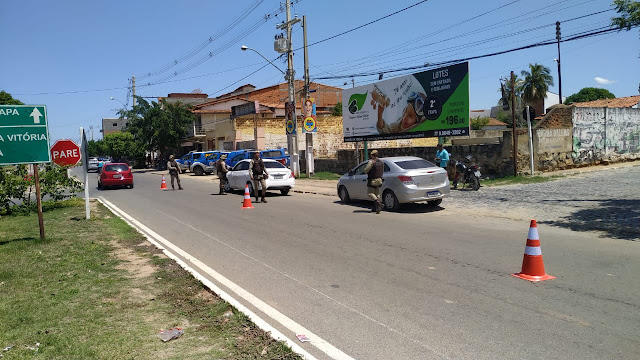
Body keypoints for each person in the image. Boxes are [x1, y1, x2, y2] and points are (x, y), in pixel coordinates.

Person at [363, 150, 384, 214]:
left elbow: (366, 170)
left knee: (370, 193)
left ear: (372, 155)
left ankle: (378, 203)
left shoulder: (371, 162)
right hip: (379, 179)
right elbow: (382, 170)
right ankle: (376, 208)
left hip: (373, 180)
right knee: (377, 194)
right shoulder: (381, 162)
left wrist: (364, 170)